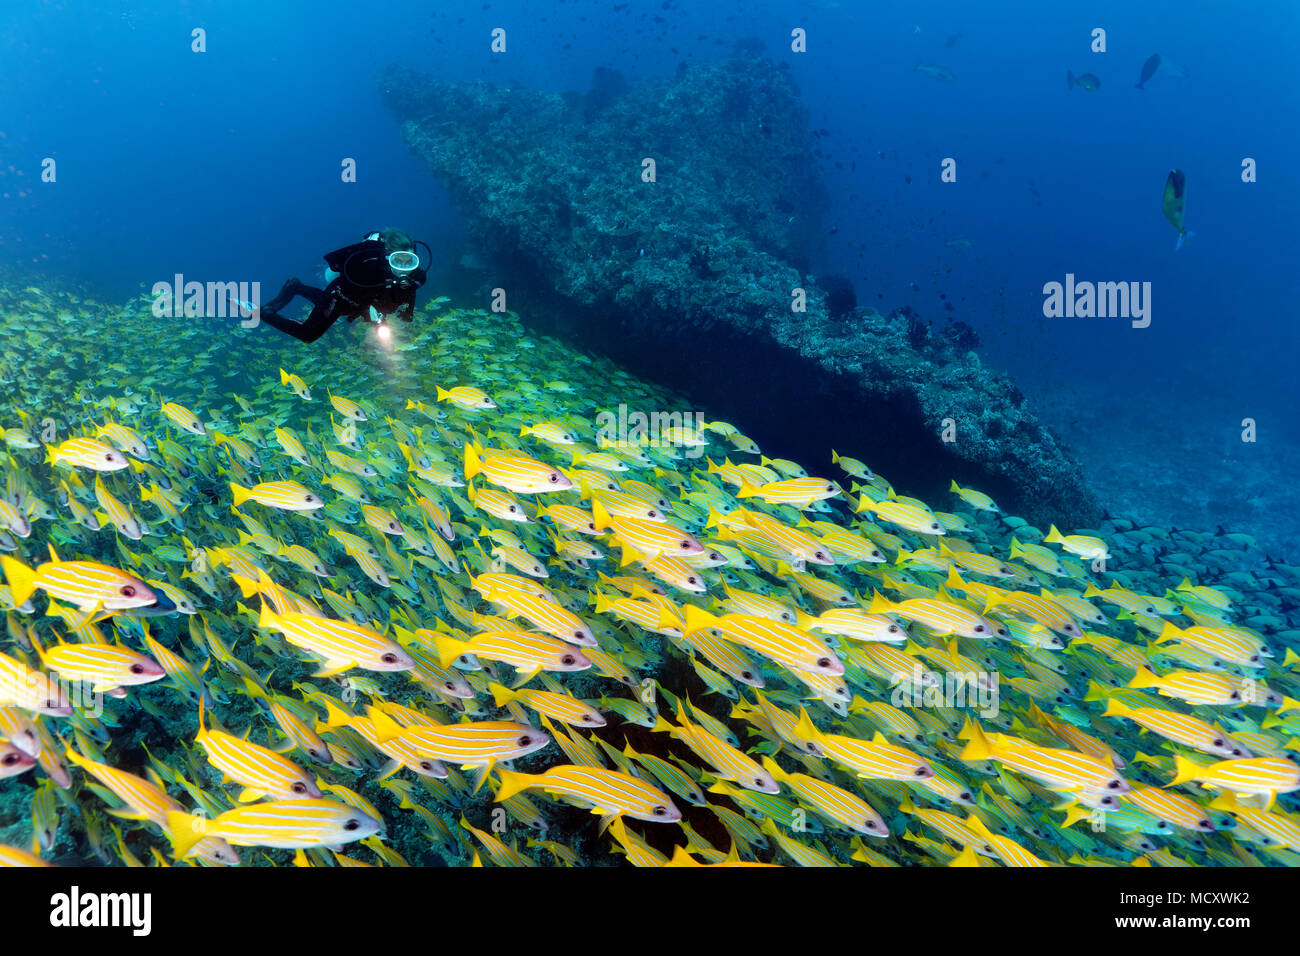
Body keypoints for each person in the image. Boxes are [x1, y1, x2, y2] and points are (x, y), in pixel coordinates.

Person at [258, 228, 428, 342]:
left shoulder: (416, 278)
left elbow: (405, 296)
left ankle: (296, 287)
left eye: (410, 262)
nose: (404, 269)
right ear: (387, 257)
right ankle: (264, 314)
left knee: (329, 303)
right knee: (308, 334)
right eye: (398, 261)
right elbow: (364, 296)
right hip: (341, 296)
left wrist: (407, 312)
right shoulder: (369, 269)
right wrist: (375, 314)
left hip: (355, 307)